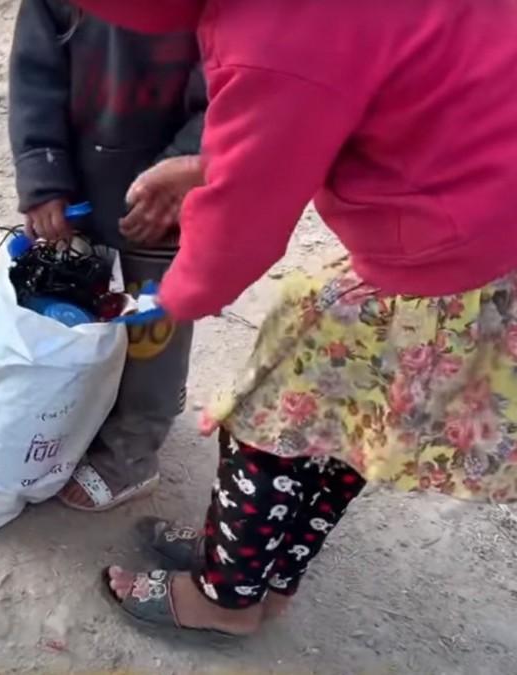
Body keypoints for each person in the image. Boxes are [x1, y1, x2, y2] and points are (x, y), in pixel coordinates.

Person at [65, 0, 517, 637]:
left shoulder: (276, 24)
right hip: (482, 219)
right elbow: (350, 93)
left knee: (269, 431)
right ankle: (264, 574)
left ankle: (224, 601)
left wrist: (166, 298)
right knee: (343, 431)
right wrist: (213, 163)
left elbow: (242, 224)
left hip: (435, 255)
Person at [7, 0, 207, 513]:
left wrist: (177, 176)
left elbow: (236, 95)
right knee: (91, 305)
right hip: (82, 185)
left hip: (168, 202)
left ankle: (132, 452)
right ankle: (116, 405)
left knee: (154, 328)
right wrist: (43, 174)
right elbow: (35, 78)